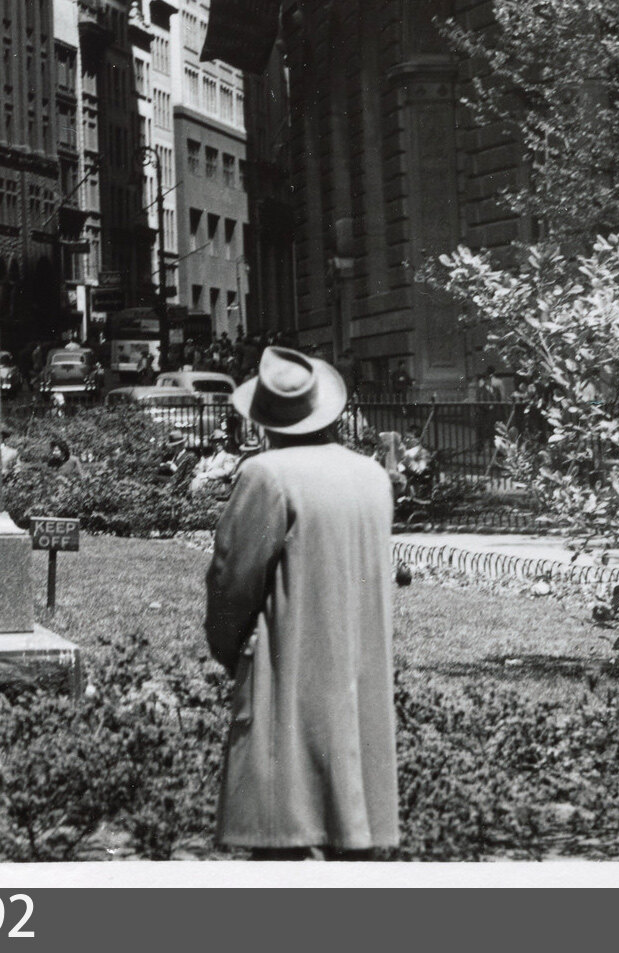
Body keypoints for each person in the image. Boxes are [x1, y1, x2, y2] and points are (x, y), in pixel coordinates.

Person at [204, 345, 398, 860]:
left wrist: (231, 651)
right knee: (351, 830)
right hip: (360, 668)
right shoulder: (372, 476)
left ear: (265, 418)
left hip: (287, 667)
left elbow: (231, 581)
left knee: (283, 839)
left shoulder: (266, 474)